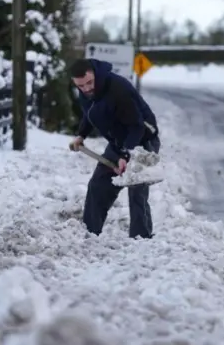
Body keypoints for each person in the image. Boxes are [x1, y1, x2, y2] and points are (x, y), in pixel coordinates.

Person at [68, 58, 160, 239]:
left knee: (136, 189)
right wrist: (81, 135)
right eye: (80, 86)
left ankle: (141, 239)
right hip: (118, 141)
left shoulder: (118, 89)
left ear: (95, 73)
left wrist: (126, 155)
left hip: (143, 139)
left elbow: (137, 127)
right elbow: (90, 114)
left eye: (89, 83)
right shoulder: (86, 92)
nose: (86, 89)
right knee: (98, 185)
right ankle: (90, 234)